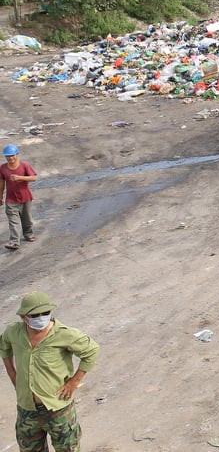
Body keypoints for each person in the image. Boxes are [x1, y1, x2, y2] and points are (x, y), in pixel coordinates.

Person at [0, 291, 99, 452]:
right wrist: (12, 373)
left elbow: (92, 351)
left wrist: (74, 382)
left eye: (45, 313)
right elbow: (4, 346)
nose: (41, 318)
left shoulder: (64, 334)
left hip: (58, 409)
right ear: (23, 316)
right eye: (35, 315)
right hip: (27, 410)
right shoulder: (14, 332)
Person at [0, 144, 37, 251]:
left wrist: (19, 177)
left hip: (26, 198)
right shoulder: (3, 168)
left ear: (17, 154)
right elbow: (1, 182)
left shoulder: (24, 165)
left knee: (27, 220)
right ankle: (14, 241)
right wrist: (0, 196)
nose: (10, 158)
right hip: (11, 200)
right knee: (13, 221)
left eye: (12, 155)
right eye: (8, 156)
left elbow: (33, 178)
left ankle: (28, 234)